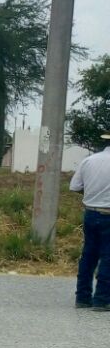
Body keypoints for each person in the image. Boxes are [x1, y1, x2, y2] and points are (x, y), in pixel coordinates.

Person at [71, 132, 110, 310]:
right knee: (108, 257)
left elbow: (75, 186)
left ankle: (82, 297)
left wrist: (92, 195)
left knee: (88, 255)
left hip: (90, 213)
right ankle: (102, 299)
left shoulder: (89, 160)